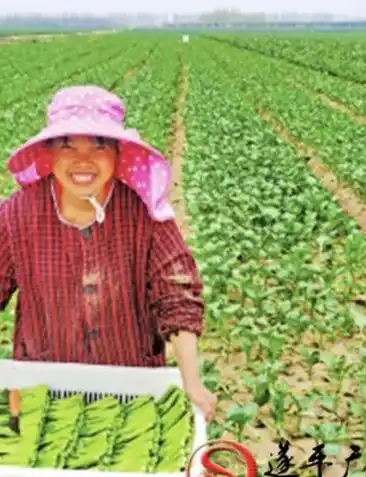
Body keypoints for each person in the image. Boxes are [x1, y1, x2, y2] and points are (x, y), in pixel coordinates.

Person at [0, 85, 216, 424]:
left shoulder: (146, 214)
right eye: (67, 144)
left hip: (131, 385)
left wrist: (191, 379)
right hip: (43, 389)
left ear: (118, 154)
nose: (82, 159)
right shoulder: (17, 214)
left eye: (99, 145)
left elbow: (178, 295)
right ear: (49, 152)